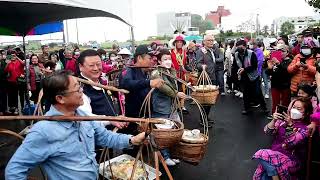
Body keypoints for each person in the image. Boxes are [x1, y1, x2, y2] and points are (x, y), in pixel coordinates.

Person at [5, 70, 146, 180]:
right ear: (60, 98)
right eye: (77, 90)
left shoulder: (82, 115)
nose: (82, 92)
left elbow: (105, 137)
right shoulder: (43, 131)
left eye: (80, 87)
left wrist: (131, 140)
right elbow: (15, 169)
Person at [252, 97, 312, 180]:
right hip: (274, 155)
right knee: (264, 174)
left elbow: (291, 142)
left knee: (262, 154)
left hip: (291, 159)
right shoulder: (282, 121)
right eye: (293, 107)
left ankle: (273, 173)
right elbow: (267, 132)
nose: (294, 110)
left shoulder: (304, 129)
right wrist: (274, 120)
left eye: (299, 109)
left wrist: (290, 125)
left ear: (305, 113)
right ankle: (273, 173)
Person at [150, 49, 187, 166]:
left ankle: (173, 154)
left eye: (169, 59)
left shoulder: (171, 71)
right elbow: (163, 87)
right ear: (159, 61)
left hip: (172, 106)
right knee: (163, 133)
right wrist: (176, 93)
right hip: (161, 107)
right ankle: (165, 157)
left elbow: (175, 83)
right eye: (165, 59)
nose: (168, 61)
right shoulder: (156, 73)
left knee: (175, 130)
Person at [78, 49, 126, 128]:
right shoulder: (80, 90)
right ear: (81, 67)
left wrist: (117, 118)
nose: (96, 68)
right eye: (91, 65)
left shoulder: (100, 82)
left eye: (98, 64)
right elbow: (86, 118)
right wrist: (110, 120)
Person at [235, 40, 268, 115]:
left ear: (244, 46)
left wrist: (245, 69)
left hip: (253, 76)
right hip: (244, 77)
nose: (239, 49)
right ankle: (247, 109)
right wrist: (238, 73)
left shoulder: (251, 53)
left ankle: (264, 108)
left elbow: (254, 65)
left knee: (258, 92)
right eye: (238, 47)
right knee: (246, 94)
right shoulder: (236, 54)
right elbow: (235, 64)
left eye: (240, 47)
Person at [196, 34, 217, 126]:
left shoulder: (211, 50)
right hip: (204, 79)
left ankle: (206, 117)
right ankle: (203, 120)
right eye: (209, 40)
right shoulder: (201, 51)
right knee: (204, 101)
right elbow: (198, 64)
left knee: (209, 101)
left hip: (211, 78)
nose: (211, 42)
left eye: (212, 40)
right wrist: (202, 66)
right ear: (204, 42)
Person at [266, 44, 292, 115]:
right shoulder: (274, 60)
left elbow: (287, 72)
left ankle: (284, 117)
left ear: (287, 52)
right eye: (279, 51)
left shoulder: (290, 61)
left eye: (283, 51)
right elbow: (268, 73)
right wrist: (269, 68)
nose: (281, 53)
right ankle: (274, 117)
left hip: (285, 85)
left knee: (285, 103)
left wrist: (278, 63)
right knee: (275, 103)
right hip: (275, 85)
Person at [170, 35, 188, 112]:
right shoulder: (171, 52)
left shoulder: (184, 52)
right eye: (178, 42)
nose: (179, 43)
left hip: (182, 75)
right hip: (174, 74)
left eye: (181, 42)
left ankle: (181, 105)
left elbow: (185, 63)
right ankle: (174, 105)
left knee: (182, 90)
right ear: (175, 43)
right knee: (174, 90)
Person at [4, 50, 25, 115]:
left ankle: (17, 107)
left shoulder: (19, 61)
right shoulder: (9, 63)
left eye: (14, 55)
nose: (13, 56)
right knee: (11, 95)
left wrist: (17, 57)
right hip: (11, 81)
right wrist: (8, 62)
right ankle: (11, 107)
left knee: (18, 95)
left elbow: (23, 64)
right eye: (11, 55)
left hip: (19, 81)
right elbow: (5, 70)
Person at [0, 50, 7, 115]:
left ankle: (4, 109)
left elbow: (6, 72)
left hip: (4, 82)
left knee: (4, 96)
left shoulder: (4, 63)